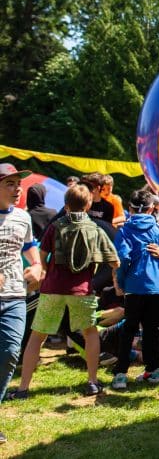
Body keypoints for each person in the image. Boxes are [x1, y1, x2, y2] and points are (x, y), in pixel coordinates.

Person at [15, 184, 120, 398]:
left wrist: (45, 272)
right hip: (82, 291)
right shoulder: (96, 229)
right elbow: (115, 260)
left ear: (66, 205)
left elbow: (41, 257)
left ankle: (23, 388)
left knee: (37, 337)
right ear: (89, 204)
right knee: (90, 334)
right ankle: (92, 382)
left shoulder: (56, 227)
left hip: (52, 289)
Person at [111, 189, 159, 389]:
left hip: (134, 286)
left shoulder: (124, 230)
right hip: (157, 287)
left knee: (129, 329)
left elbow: (123, 258)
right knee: (151, 330)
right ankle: (154, 370)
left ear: (130, 208)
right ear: (151, 209)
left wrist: (121, 282)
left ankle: (121, 374)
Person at [0, 164, 44, 443]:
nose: (18, 189)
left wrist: (38, 265)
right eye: (10, 184)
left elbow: (28, 245)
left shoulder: (22, 216)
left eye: (19, 184)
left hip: (15, 296)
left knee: (9, 354)